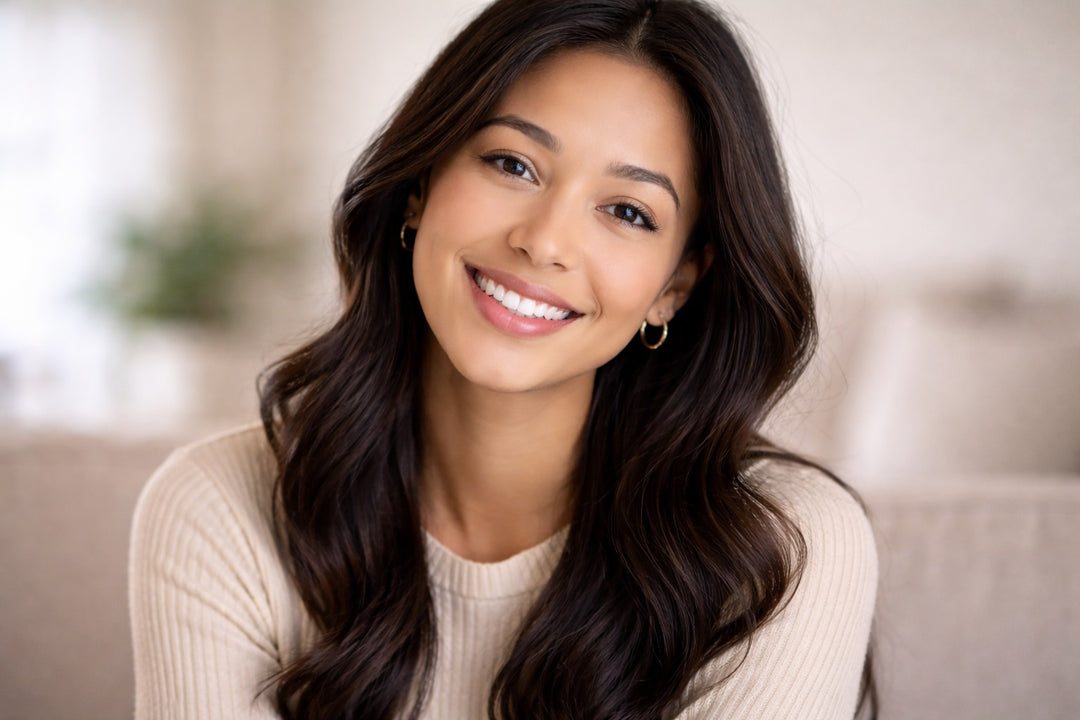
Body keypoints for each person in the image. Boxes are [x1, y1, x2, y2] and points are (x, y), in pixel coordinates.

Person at [129, 1, 878, 718]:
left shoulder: (782, 555)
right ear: (421, 183)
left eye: (627, 212)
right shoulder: (218, 508)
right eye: (512, 164)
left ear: (674, 286)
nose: (545, 241)